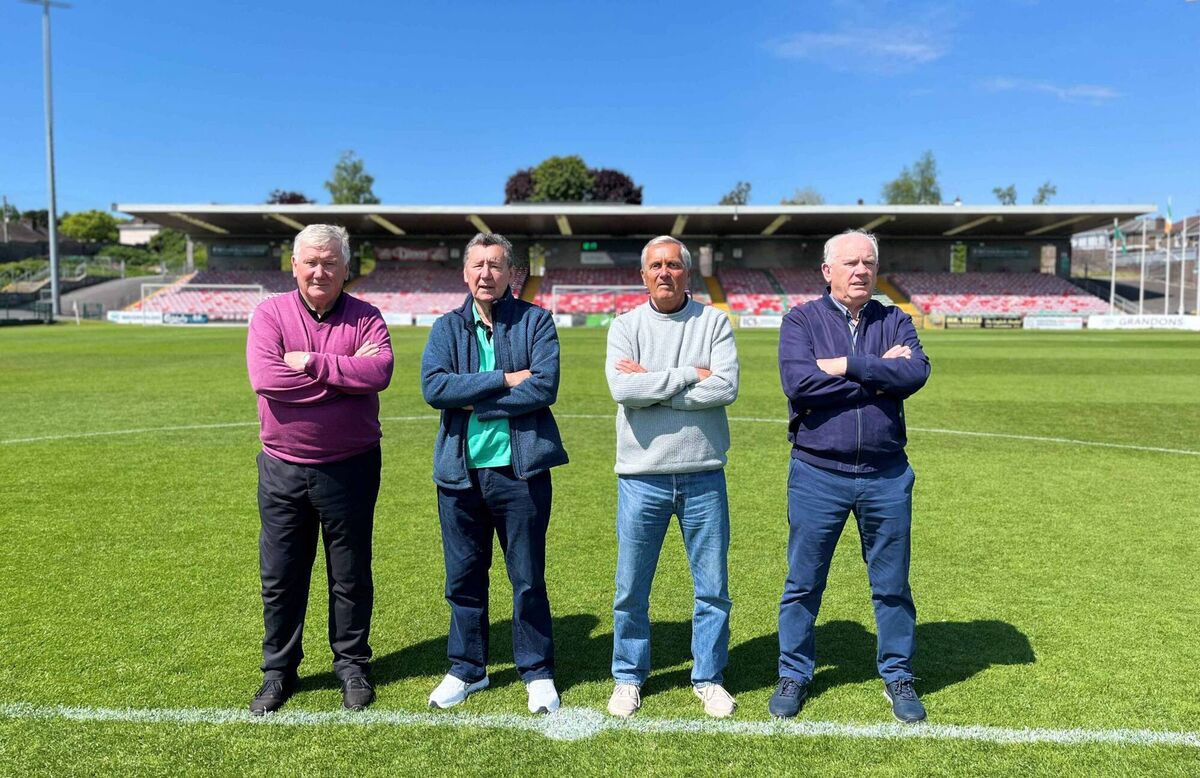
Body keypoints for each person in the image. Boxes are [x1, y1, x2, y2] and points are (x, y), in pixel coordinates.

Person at [771, 229, 931, 723]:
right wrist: (878, 374)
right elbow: (799, 383)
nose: (861, 270)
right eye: (850, 263)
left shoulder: (896, 319)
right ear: (827, 271)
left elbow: (916, 374)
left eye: (868, 262)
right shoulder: (801, 319)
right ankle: (794, 672)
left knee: (891, 584)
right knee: (803, 582)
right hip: (818, 472)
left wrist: (844, 366)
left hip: (886, 475)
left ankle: (898, 675)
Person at [245, 224, 393, 714]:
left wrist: (309, 361)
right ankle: (278, 672)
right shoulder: (269, 314)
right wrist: (345, 374)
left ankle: (352, 665)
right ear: (294, 265)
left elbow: (381, 373)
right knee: (282, 575)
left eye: (330, 262)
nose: (320, 270)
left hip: (350, 466)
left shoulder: (367, 317)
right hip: (283, 468)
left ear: (346, 269)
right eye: (311, 261)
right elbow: (267, 378)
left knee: (350, 574)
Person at [421, 232, 569, 714]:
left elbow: (544, 387)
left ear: (512, 275)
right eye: (478, 265)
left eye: (496, 265)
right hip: (459, 475)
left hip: (520, 473)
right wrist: (504, 380)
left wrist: (472, 399)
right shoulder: (447, 327)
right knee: (463, 577)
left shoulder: (536, 321)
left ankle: (536, 670)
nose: (486, 274)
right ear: (465, 274)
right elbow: (434, 387)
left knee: (527, 577)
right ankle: (468, 668)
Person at [604, 236, 740, 719]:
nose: (665, 272)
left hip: (704, 473)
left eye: (674, 265)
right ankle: (627, 677)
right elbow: (623, 387)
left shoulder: (715, 321)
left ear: (688, 272)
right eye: (656, 265)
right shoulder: (624, 326)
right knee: (631, 588)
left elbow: (725, 387)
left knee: (712, 588)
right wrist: (688, 375)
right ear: (643, 275)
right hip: (641, 476)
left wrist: (655, 381)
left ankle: (708, 677)